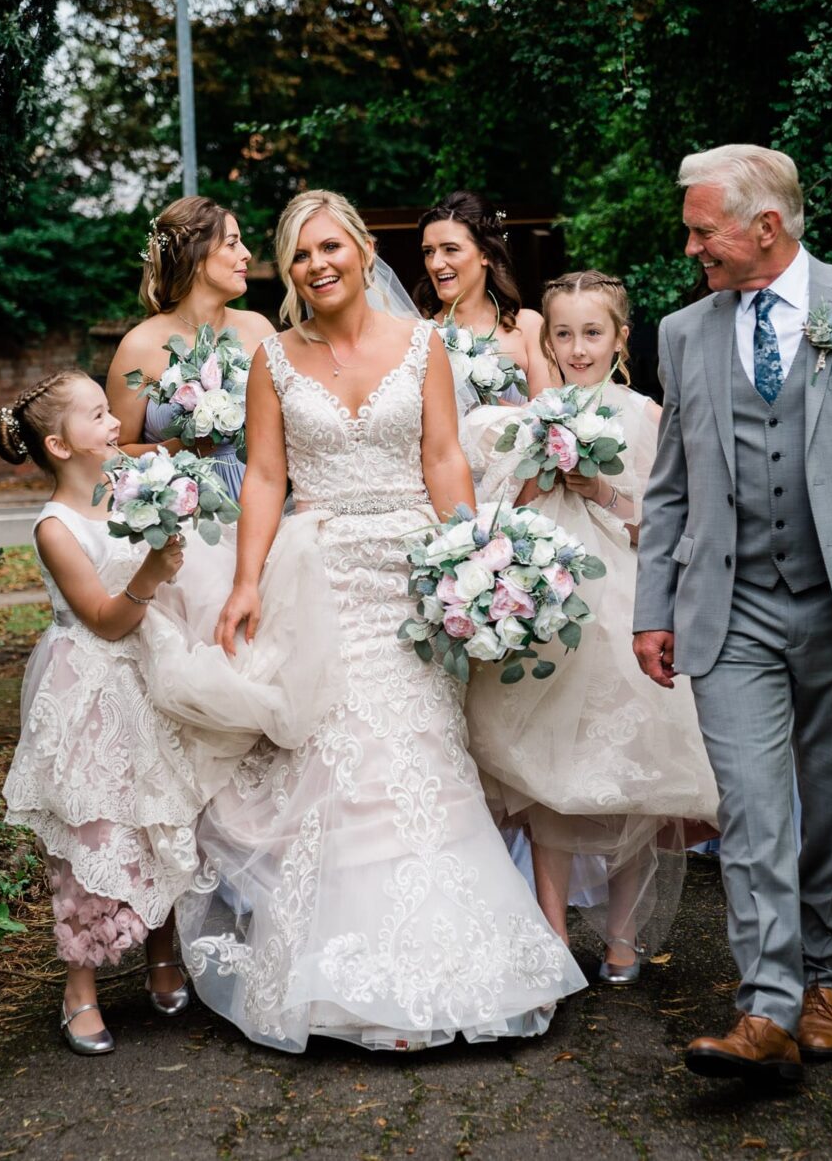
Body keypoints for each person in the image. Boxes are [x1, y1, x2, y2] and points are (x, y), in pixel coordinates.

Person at [179, 189, 587, 1053]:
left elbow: (443, 457)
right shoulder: (274, 360)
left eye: (329, 246)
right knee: (348, 760)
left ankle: (458, 969)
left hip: (411, 572)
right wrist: (246, 581)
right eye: (299, 253)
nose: (316, 264)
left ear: (364, 251)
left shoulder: (423, 344)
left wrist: (474, 562)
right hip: (323, 574)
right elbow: (264, 477)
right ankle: (350, 982)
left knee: (423, 749)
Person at [633, 145, 832, 1082]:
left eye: (703, 230)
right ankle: (765, 1006)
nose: (691, 247)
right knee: (752, 808)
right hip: (729, 608)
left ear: (764, 226)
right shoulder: (683, 332)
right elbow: (671, 484)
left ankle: (824, 980)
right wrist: (653, 607)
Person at [464, 271, 720, 984]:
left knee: (626, 776)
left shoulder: (645, 416)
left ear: (620, 339)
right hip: (548, 603)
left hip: (622, 604)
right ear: (547, 341)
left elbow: (665, 523)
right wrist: (537, 476)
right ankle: (551, 932)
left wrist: (599, 488)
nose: (579, 348)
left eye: (593, 333)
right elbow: (499, 514)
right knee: (548, 773)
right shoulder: (527, 418)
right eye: (565, 334)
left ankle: (622, 935)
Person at [0, 370, 201, 1054]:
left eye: (111, 411)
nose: (116, 423)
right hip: (88, 688)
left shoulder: (129, 489)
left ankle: (163, 953)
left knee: (159, 815)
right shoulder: (56, 527)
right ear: (59, 445)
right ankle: (79, 985)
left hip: (151, 677)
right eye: (98, 415)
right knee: (94, 833)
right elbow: (107, 621)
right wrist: (152, 572)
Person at [106, 196, 276, 499]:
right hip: (185, 509)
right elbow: (113, 452)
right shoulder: (139, 346)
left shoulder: (259, 330)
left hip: (261, 502)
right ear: (195, 258)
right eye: (232, 244)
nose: (247, 254)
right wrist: (181, 446)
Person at [415, 191, 553, 400]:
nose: (435, 264)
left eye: (450, 249)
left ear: (485, 254)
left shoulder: (529, 327)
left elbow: (551, 416)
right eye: (428, 252)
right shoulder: (419, 334)